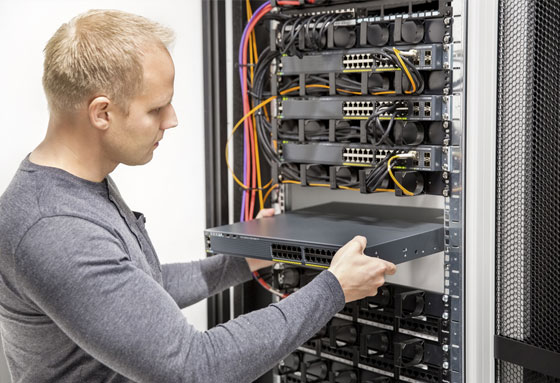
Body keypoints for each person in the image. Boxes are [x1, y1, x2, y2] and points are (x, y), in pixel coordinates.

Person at [0, 9, 396, 383]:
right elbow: (194, 368)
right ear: (102, 113)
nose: (172, 119)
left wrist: (244, 260)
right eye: (156, 108)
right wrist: (334, 289)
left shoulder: (79, 185)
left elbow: (134, 291)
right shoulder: (52, 228)